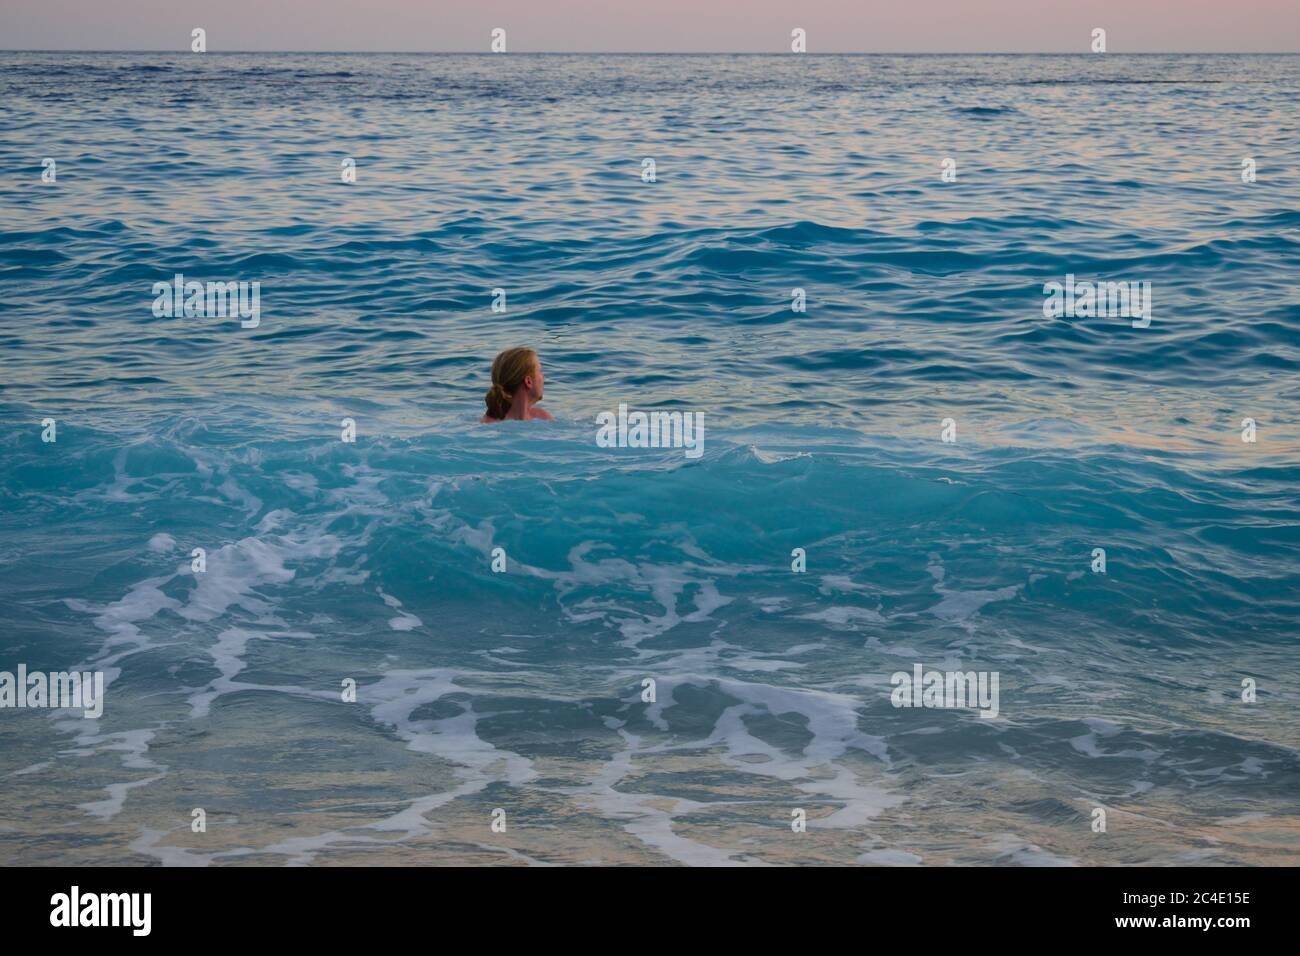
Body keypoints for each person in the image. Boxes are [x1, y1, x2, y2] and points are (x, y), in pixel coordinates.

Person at [481, 347, 554, 422]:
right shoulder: (542, 418)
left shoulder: (543, 416)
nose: (543, 377)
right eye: (540, 371)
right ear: (528, 381)